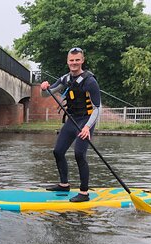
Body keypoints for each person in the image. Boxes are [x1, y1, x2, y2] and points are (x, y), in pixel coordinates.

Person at [40, 47, 101, 202]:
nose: (74, 63)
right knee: (58, 151)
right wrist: (43, 88)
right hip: (72, 120)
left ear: (82, 61)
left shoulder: (90, 81)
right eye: (71, 60)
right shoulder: (65, 80)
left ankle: (84, 193)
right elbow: (47, 94)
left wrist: (87, 127)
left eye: (77, 60)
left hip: (85, 121)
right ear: (68, 62)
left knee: (79, 154)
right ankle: (64, 184)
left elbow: (96, 109)